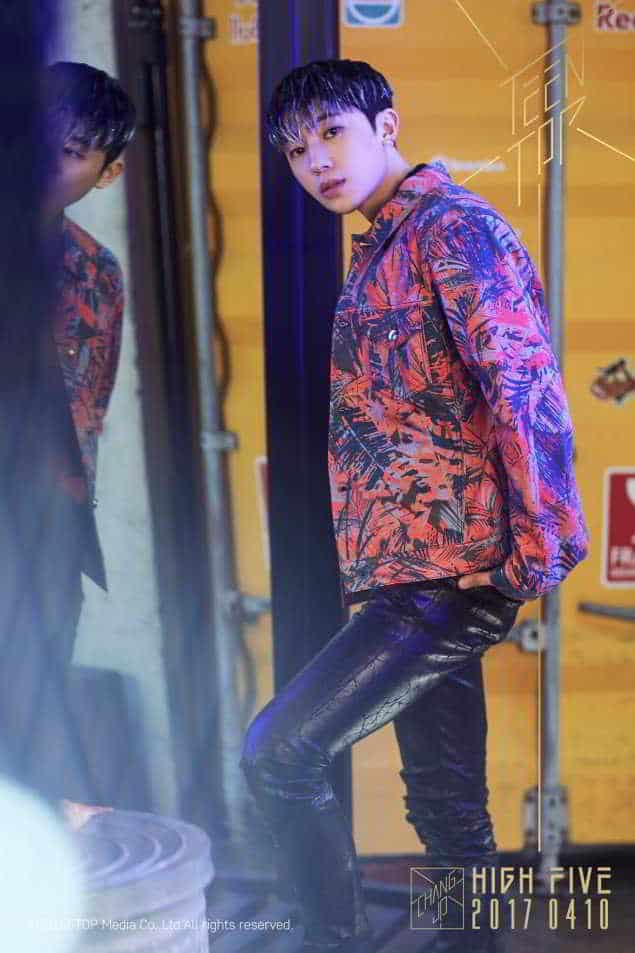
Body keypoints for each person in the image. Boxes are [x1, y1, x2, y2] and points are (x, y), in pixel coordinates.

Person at [241, 60, 589, 953]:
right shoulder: (380, 246)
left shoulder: (453, 229)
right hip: (407, 568)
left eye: (332, 132)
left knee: (279, 753)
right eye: (295, 150)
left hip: (450, 575)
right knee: (445, 800)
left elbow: (524, 389)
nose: (316, 161)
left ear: (386, 125)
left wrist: (538, 548)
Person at [0, 61, 136, 808]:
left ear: (107, 172)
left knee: (31, 717)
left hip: (48, 527)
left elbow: (90, 409)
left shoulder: (97, 273)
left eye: (71, 150)